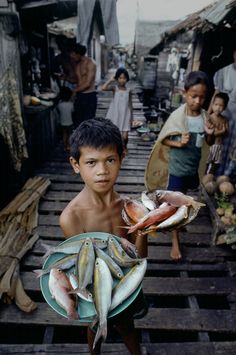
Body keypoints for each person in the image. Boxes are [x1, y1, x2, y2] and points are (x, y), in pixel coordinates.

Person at [59, 118, 148, 355]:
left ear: (122, 157)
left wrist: (143, 228)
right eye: (91, 162)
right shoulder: (72, 217)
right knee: (95, 323)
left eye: (110, 160)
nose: (102, 171)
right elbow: (84, 267)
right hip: (94, 287)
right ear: (75, 164)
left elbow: (139, 259)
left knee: (127, 326)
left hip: (125, 283)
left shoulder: (128, 207)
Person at [145, 71, 214, 260]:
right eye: (193, 96)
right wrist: (179, 143)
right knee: (175, 204)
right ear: (185, 93)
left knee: (186, 197)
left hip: (193, 168)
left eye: (202, 97)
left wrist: (210, 132)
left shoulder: (205, 117)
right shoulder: (177, 116)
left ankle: (179, 223)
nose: (197, 101)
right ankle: (175, 242)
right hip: (176, 168)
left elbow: (210, 140)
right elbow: (163, 140)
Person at [208, 47, 236, 175]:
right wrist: (208, 114)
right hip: (224, 115)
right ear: (234, 54)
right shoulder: (223, 72)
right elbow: (216, 95)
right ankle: (211, 175)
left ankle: (226, 176)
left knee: (232, 148)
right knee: (218, 146)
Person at [102, 68, 133, 152]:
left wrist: (132, 118)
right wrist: (110, 80)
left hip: (125, 114)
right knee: (114, 132)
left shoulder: (129, 90)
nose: (122, 80)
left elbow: (130, 104)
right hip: (115, 113)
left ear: (127, 79)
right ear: (117, 79)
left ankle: (125, 147)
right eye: (120, 78)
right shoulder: (114, 88)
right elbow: (103, 88)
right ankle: (115, 148)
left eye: (124, 78)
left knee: (125, 136)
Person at [68, 43, 97, 128]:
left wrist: (74, 91)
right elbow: (77, 81)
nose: (71, 56)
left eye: (72, 54)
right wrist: (65, 78)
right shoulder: (77, 64)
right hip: (80, 96)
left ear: (77, 53)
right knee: (78, 123)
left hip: (89, 96)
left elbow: (87, 83)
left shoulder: (91, 63)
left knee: (88, 124)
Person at [205, 92, 229, 175]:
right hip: (211, 146)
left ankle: (210, 179)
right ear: (212, 105)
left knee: (215, 165)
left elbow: (227, 133)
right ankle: (204, 179)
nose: (217, 108)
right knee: (207, 164)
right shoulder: (210, 118)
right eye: (216, 104)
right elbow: (211, 133)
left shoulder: (224, 119)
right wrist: (222, 131)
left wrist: (225, 131)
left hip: (219, 146)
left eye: (221, 106)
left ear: (225, 107)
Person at [56, 86, 74, 152]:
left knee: (64, 134)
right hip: (70, 122)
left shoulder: (59, 105)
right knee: (69, 134)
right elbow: (72, 111)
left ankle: (64, 146)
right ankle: (69, 146)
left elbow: (58, 111)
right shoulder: (71, 104)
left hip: (62, 122)